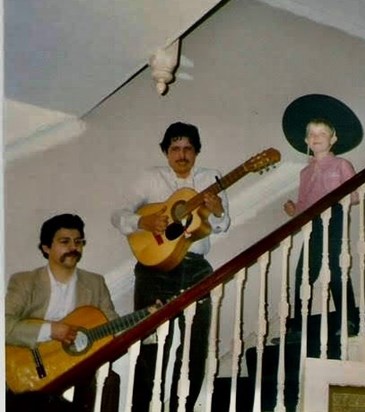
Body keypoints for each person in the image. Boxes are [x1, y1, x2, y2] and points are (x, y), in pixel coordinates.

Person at [111, 121, 230, 412]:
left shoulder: (211, 178)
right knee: (149, 343)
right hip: (155, 270)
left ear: (196, 152)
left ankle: (183, 408)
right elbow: (118, 214)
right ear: (166, 152)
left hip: (196, 267)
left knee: (195, 346)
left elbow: (223, 225)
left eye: (188, 148)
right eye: (175, 148)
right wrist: (144, 221)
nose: (182, 154)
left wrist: (216, 211)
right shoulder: (150, 179)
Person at [5, 213, 118, 412]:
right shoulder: (24, 282)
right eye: (65, 242)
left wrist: (149, 317)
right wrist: (51, 330)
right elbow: (4, 325)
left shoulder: (95, 283)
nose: (73, 247)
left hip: (76, 374)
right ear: (46, 248)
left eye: (78, 242)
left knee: (110, 380)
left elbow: (112, 323)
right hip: (27, 376)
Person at [281, 94, 363, 341]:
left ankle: (349, 320)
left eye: (322, 133)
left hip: (334, 216)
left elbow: (355, 196)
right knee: (303, 273)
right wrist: (294, 211)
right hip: (314, 223)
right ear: (306, 140)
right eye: (312, 134)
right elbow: (304, 205)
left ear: (333, 138)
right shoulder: (305, 172)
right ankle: (296, 327)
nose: (317, 138)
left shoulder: (341, 164)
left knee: (336, 268)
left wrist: (333, 201)